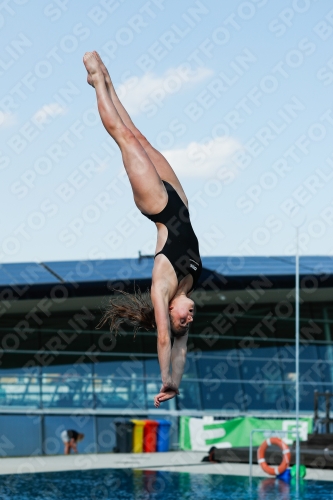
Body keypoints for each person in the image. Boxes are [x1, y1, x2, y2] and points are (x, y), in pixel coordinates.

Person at [83, 52, 202, 408]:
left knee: (124, 138)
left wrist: (165, 381)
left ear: (168, 316)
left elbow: (167, 342)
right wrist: (178, 384)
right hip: (180, 200)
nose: (190, 317)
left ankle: (95, 82)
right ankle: (103, 80)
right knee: (140, 136)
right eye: (190, 319)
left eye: (184, 320)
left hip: (159, 206)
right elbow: (182, 347)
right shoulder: (187, 288)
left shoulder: (162, 290)